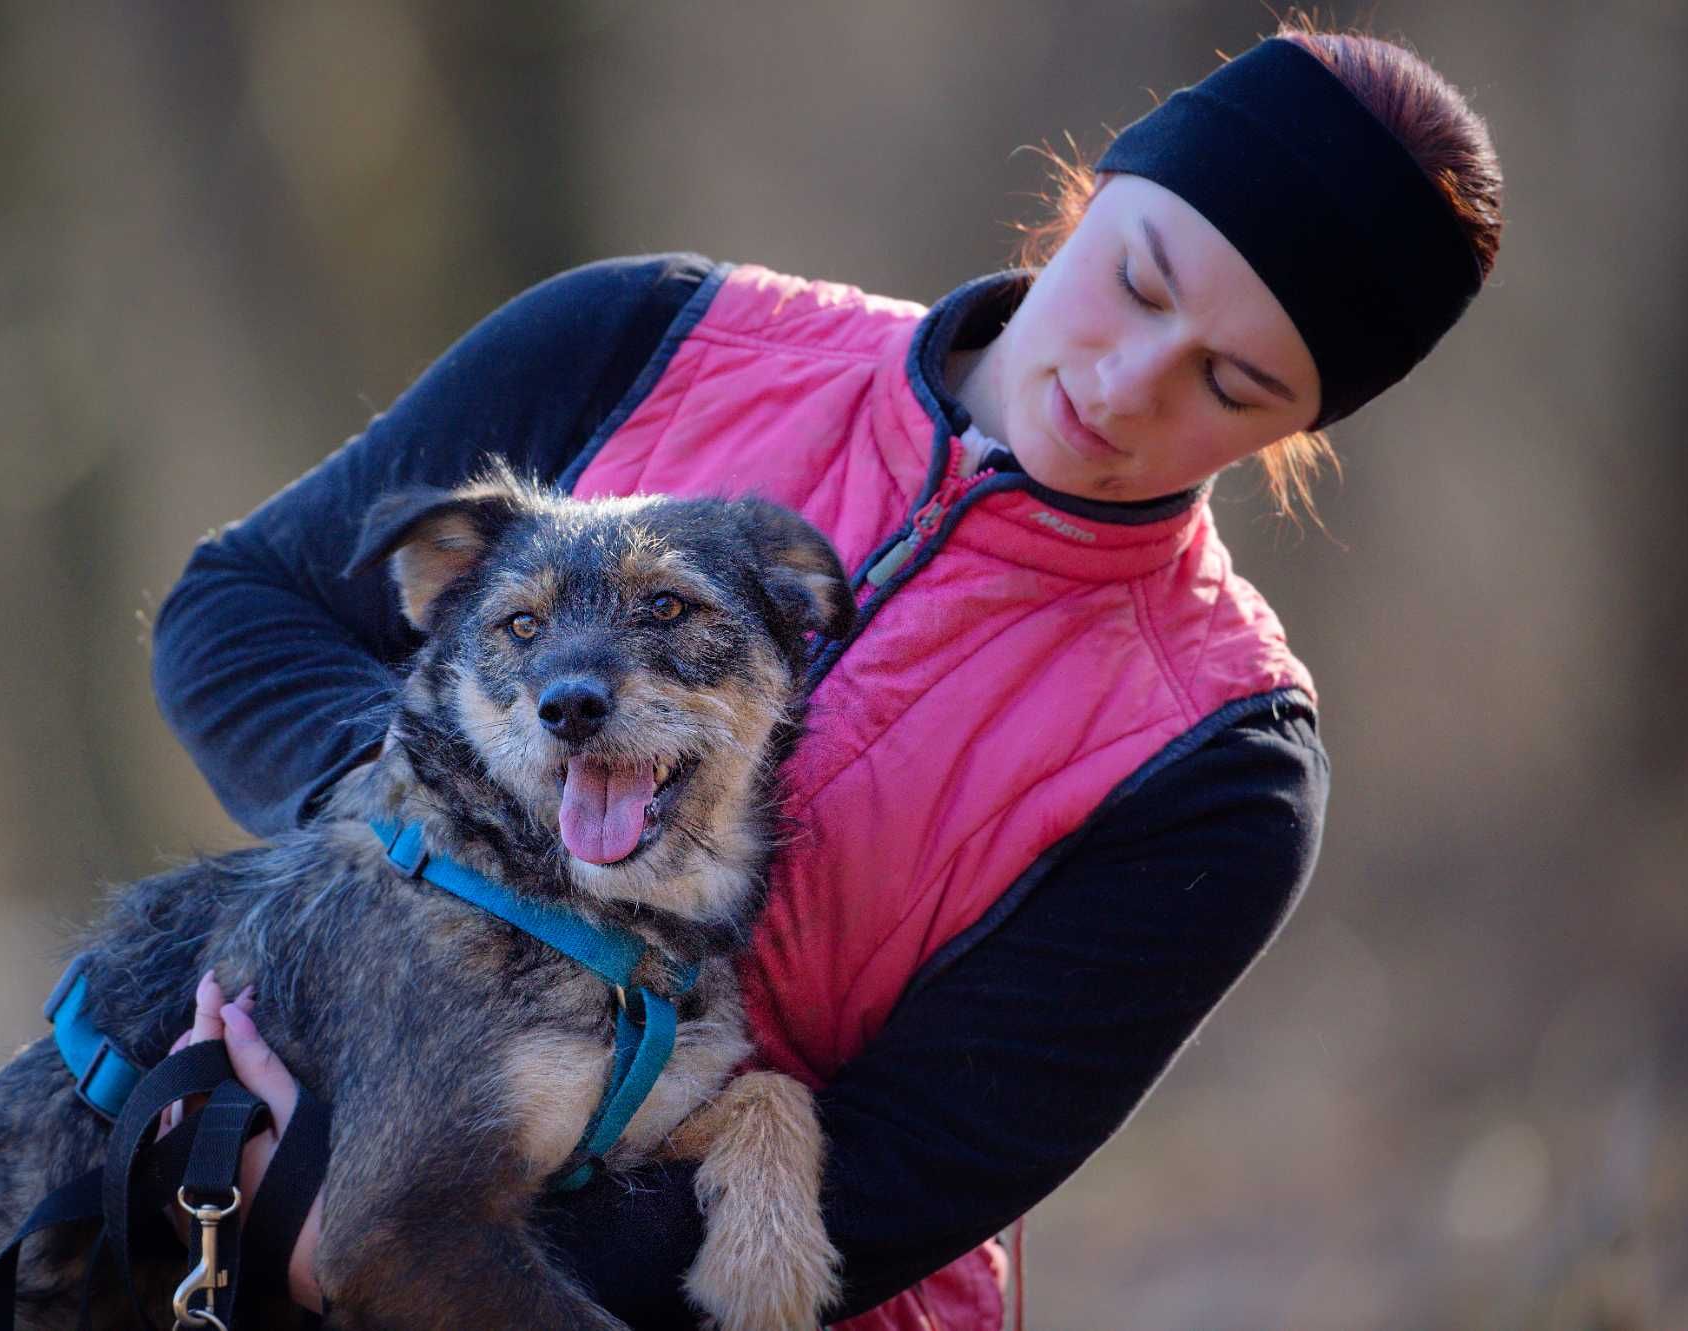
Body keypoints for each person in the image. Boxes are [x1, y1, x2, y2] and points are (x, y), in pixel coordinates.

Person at [147, 25, 1502, 1329]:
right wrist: (417, 836)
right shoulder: (653, 336)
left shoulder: (1222, 758)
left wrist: (374, 1247)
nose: (1131, 383)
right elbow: (239, 612)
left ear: (1298, 431)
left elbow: (903, 1173)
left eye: (1234, 381)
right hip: (283, 1173)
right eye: (1142, 282)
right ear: (1093, 192)